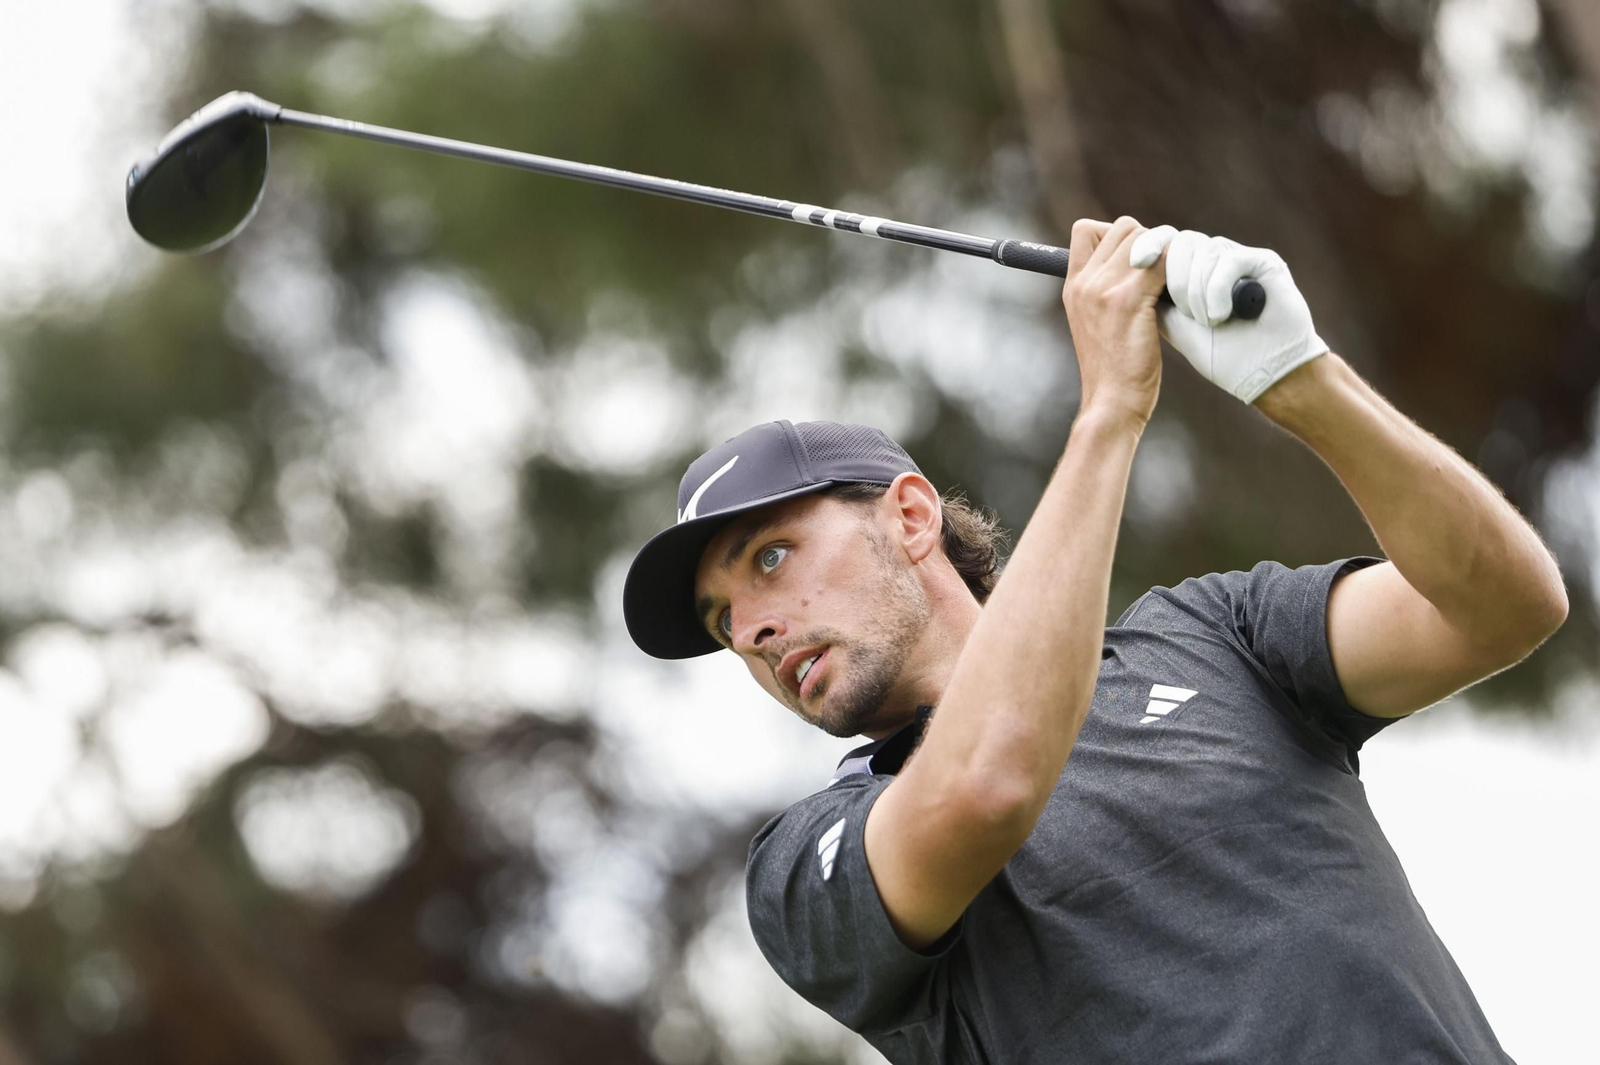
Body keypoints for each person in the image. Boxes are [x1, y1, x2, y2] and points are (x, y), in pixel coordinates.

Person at [621, 218, 1567, 1063]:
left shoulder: (1215, 635)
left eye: (772, 558)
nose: (750, 629)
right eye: (720, 621)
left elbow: (1503, 607)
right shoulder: (808, 861)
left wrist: (1303, 384)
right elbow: (993, 775)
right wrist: (1110, 409)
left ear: (910, 517)